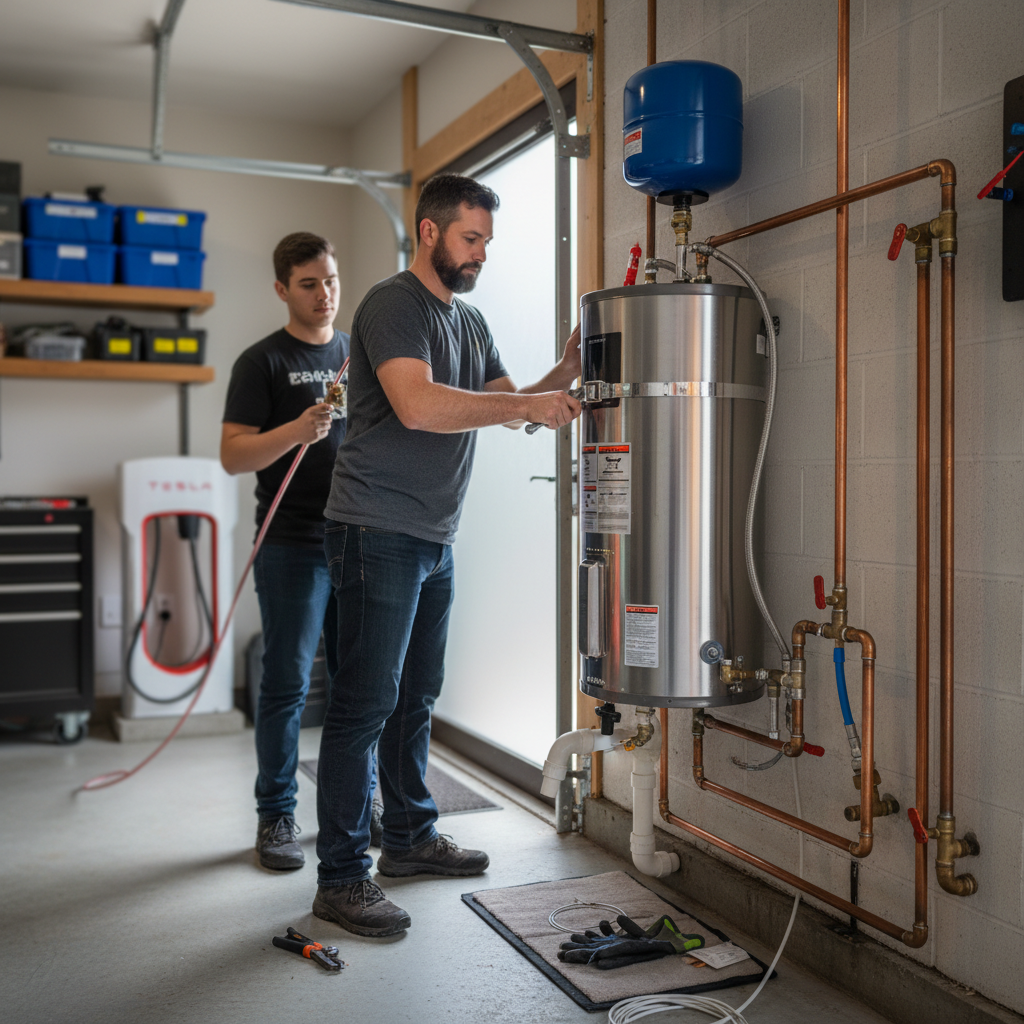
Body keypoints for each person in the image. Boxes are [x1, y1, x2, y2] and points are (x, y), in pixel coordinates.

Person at [312, 173, 582, 937]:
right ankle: (339, 878)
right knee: (365, 703)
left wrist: (556, 380)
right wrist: (524, 403)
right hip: (375, 529)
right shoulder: (394, 305)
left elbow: (506, 407)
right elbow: (420, 403)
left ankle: (408, 840)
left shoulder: (469, 320)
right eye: (471, 239)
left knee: (415, 695)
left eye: (488, 242)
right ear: (429, 232)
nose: (482, 254)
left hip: (432, 537)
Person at [221, 232, 350, 871]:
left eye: (330, 280)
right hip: (292, 545)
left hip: (357, 540)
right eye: (309, 283)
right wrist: (295, 431)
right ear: (282, 289)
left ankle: (354, 806)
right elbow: (233, 454)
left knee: (358, 687)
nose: (324, 294)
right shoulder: (262, 361)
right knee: (288, 683)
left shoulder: (358, 355)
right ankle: (276, 814)